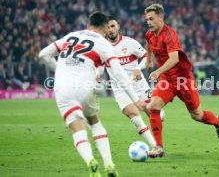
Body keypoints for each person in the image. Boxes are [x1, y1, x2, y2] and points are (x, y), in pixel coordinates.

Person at [39, 12, 145, 177]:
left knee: (76, 127)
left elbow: (43, 55)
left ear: (88, 26)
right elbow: (119, 74)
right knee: (95, 123)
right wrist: (135, 99)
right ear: (104, 28)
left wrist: (60, 70)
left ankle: (90, 161)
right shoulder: (103, 43)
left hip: (63, 88)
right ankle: (109, 163)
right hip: (85, 87)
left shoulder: (70, 36)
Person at [144, 4, 219, 158]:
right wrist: (148, 60)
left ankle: (217, 122)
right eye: (147, 19)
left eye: (152, 19)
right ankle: (159, 147)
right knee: (153, 106)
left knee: (197, 115)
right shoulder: (149, 34)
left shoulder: (169, 34)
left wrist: (157, 71)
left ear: (160, 18)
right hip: (167, 80)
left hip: (182, 80)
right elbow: (149, 44)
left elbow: (174, 59)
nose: (149, 22)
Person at [96, 16, 164, 149]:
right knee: (133, 114)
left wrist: (138, 68)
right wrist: (97, 73)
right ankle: (156, 146)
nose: (110, 30)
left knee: (155, 114)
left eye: (113, 26)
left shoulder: (130, 43)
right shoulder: (102, 46)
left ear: (118, 26)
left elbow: (146, 57)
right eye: (108, 27)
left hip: (138, 85)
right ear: (104, 29)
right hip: (120, 88)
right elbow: (99, 64)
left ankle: (158, 118)